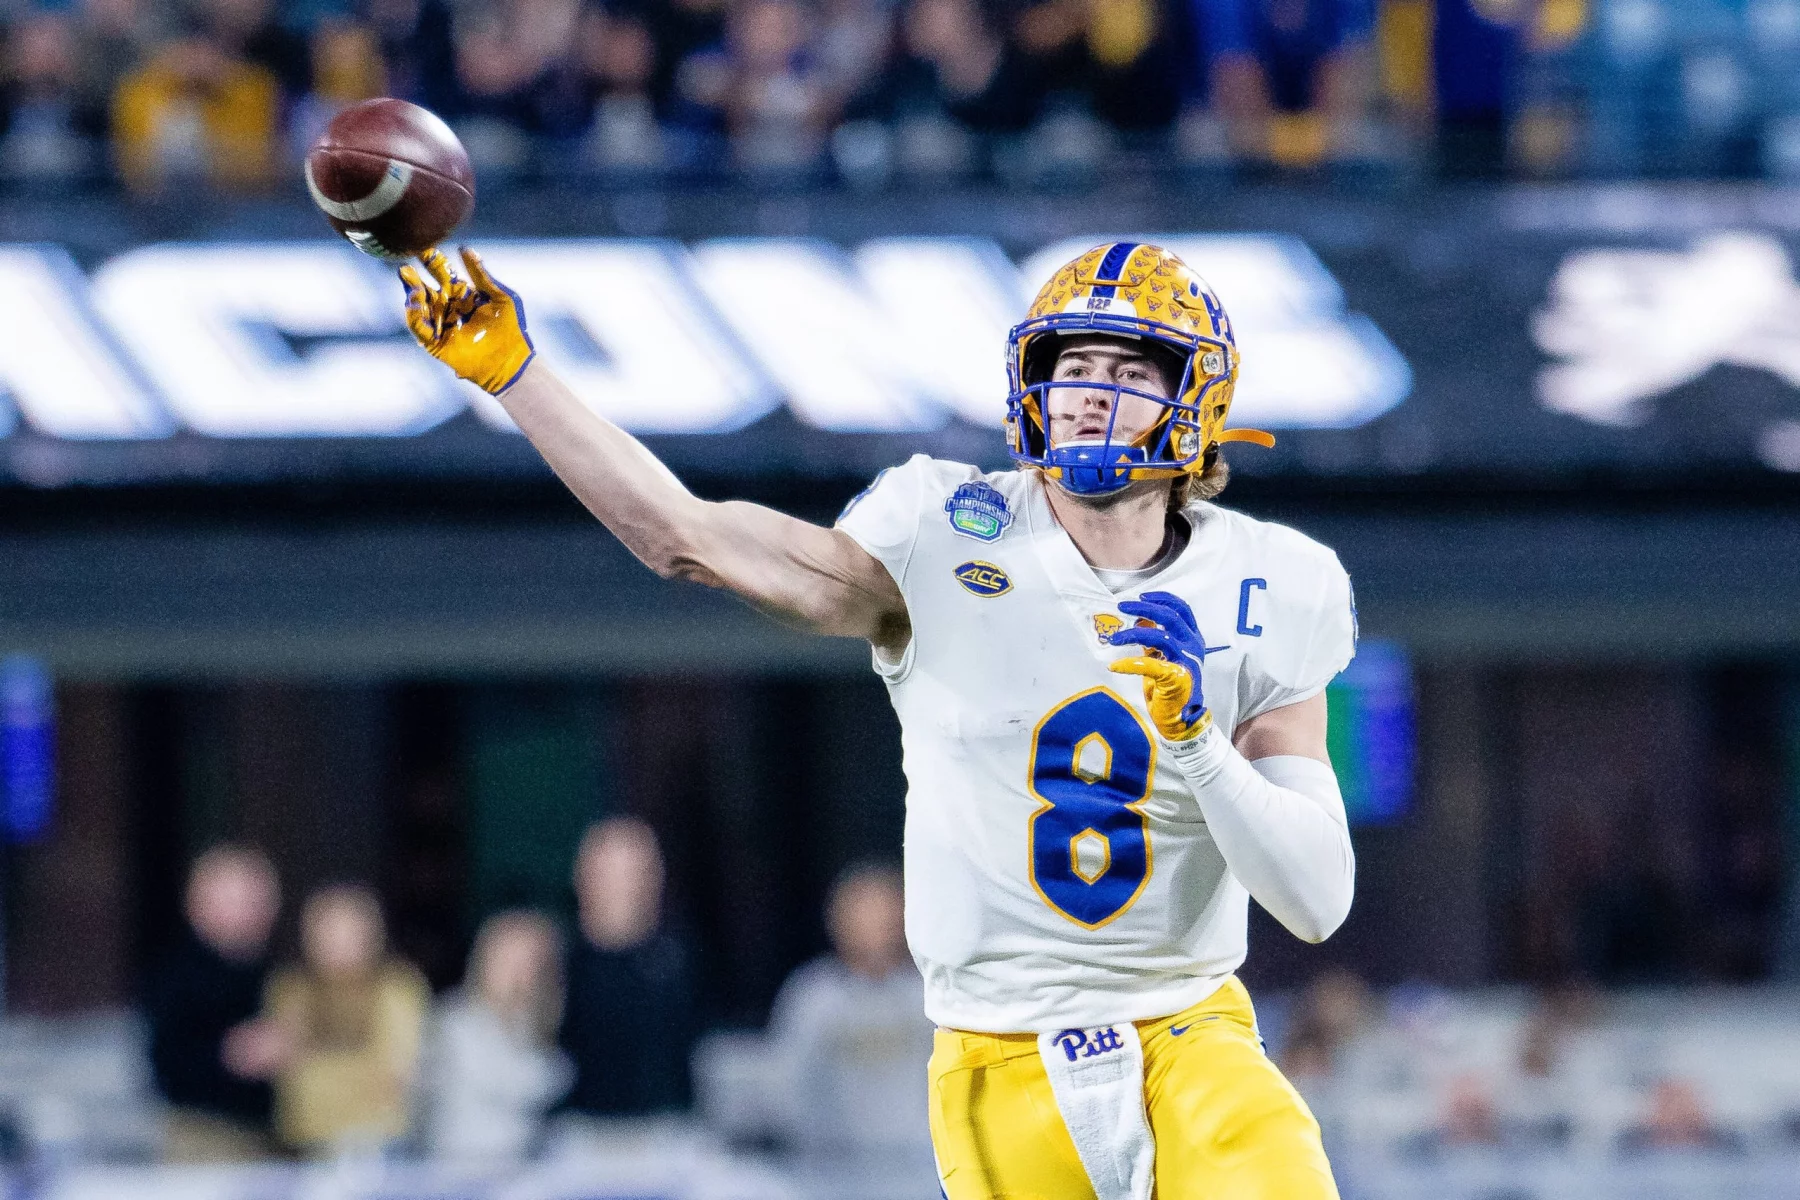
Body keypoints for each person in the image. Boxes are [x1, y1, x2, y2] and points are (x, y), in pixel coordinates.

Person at [399, 236, 1358, 1198]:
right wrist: (520, 378)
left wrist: (1196, 742)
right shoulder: (941, 528)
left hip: (1192, 1031)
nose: (1090, 393)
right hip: (998, 1055)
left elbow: (1315, 901)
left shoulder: (1276, 582)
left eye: (1127, 369)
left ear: (1199, 399)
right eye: (1072, 366)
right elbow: (686, 538)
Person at [767, 863, 934, 1164]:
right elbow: (786, 1086)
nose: (874, 925)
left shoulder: (929, 993)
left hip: (921, 1165)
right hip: (831, 1167)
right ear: (838, 919)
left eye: (883, 913)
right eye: (861, 913)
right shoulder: (812, 996)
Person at [263, 884, 431, 1156]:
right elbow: (286, 1074)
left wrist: (315, 1066)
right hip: (302, 1145)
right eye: (327, 930)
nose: (338, 941)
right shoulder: (290, 989)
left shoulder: (398, 988)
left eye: (349, 931)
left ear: (371, 934)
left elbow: (396, 1075)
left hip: (379, 1144)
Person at [145, 845, 282, 1162]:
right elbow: (165, 1065)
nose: (245, 912)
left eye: (253, 901)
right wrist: (229, 1055)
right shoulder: (178, 978)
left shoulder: (278, 975)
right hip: (206, 1137)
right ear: (197, 906)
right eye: (231, 902)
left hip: (275, 1139)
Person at [556, 817, 697, 1120]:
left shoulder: (683, 964)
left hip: (669, 1137)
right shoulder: (555, 966)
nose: (624, 886)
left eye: (635, 873)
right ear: (583, 877)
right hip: (574, 1139)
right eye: (610, 873)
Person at [427, 910, 572, 1162]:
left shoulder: (543, 1025)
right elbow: (522, 1083)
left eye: (527, 964)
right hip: (458, 1167)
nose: (515, 975)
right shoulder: (453, 1022)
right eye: (506, 961)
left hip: (525, 1167)